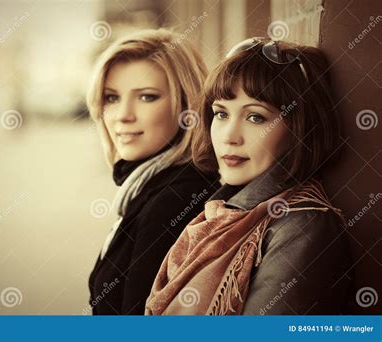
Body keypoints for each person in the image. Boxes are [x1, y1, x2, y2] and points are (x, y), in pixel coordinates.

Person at [146, 37, 351, 315]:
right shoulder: (219, 211)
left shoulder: (303, 225)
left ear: (299, 128)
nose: (229, 136)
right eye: (220, 114)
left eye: (255, 118)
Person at [87, 29, 220, 314]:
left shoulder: (176, 199)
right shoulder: (148, 187)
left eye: (147, 97)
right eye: (112, 98)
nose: (123, 114)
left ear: (188, 105)